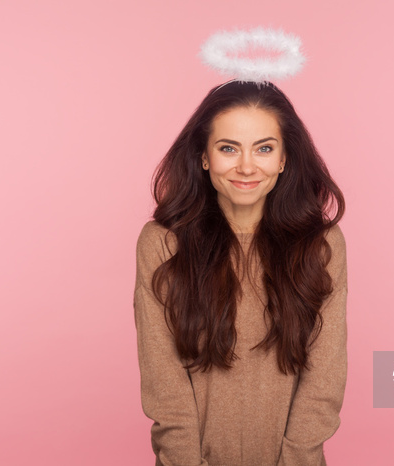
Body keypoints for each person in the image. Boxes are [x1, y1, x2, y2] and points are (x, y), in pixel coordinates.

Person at [134, 80, 348, 466]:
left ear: (284, 159)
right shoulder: (163, 244)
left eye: (264, 148)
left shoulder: (322, 245)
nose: (247, 166)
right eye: (228, 148)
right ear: (204, 156)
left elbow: (324, 381)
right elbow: (164, 387)